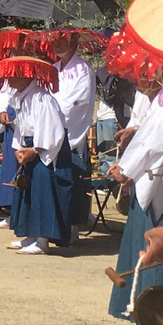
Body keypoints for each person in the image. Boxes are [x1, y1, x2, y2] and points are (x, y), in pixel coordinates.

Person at [0, 57, 75, 255]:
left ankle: (42, 240)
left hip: (45, 150)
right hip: (29, 148)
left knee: (43, 193)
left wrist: (35, 150)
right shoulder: (22, 97)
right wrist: (18, 147)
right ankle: (31, 234)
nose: (9, 80)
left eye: (13, 75)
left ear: (26, 75)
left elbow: (54, 132)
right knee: (28, 193)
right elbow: (21, 126)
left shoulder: (42, 98)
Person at [107, 73, 163, 325]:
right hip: (150, 177)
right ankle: (146, 318)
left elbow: (152, 144)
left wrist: (126, 170)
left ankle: (157, 324)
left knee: (155, 251)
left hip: (155, 181)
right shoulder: (158, 103)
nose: (142, 81)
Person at [50, 31, 97, 230]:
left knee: (73, 176)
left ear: (74, 42)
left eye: (63, 40)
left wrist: (55, 116)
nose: (58, 44)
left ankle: (72, 225)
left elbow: (78, 102)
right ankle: (54, 223)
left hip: (70, 129)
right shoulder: (52, 69)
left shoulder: (83, 70)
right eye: (55, 40)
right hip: (51, 127)